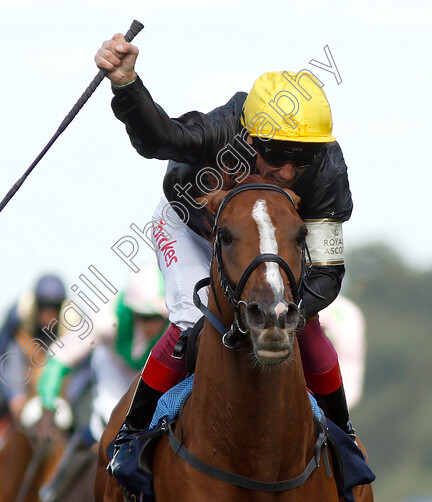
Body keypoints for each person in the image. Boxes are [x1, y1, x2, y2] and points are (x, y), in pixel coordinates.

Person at [94, 35, 356, 479]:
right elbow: (160, 138)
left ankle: (345, 440)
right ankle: (131, 436)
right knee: (189, 325)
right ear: (249, 136)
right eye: (275, 154)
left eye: (304, 157)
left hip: (272, 240)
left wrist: (288, 312)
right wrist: (126, 83)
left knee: (304, 329)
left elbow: (328, 273)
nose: (288, 171)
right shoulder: (224, 129)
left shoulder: (327, 167)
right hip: (193, 228)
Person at [38, 263, 168, 502]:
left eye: (158, 317)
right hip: (112, 364)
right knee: (108, 423)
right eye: (144, 316)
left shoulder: (175, 320)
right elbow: (59, 357)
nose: (152, 325)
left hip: (150, 368)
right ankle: (56, 487)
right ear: (130, 310)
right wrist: (47, 400)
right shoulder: (105, 319)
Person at [0, 274, 68, 424]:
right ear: (36, 305)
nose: (49, 314)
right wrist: (13, 395)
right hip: (19, 374)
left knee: (69, 418)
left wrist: (69, 397)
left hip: (54, 386)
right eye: (44, 307)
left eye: (54, 308)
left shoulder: (73, 322)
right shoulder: (18, 315)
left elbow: (84, 368)